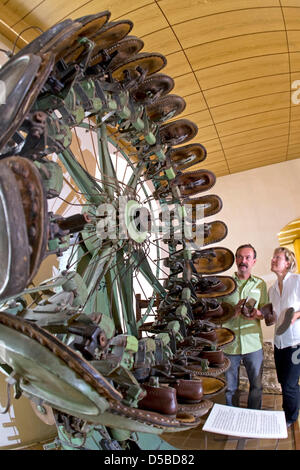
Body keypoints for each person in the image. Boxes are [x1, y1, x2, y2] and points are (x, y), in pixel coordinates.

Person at [220, 244, 269, 409]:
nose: (243, 260)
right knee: (230, 388)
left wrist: (257, 314)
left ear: (254, 261)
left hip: (253, 343)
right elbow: (217, 314)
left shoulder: (260, 284)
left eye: (247, 257)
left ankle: (253, 418)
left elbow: (266, 311)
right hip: (229, 344)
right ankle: (231, 419)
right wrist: (232, 312)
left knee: (256, 387)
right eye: (240, 257)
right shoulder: (225, 284)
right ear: (235, 260)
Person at [269, 247, 300, 427]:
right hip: (279, 343)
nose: (273, 260)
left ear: (287, 263)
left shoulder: (297, 281)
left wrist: (296, 315)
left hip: (296, 343)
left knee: (289, 384)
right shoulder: (272, 289)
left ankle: (290, 418)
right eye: (273, 257)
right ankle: (291, 408)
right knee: (284, 382)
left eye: (277, 258)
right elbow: (274, 316)